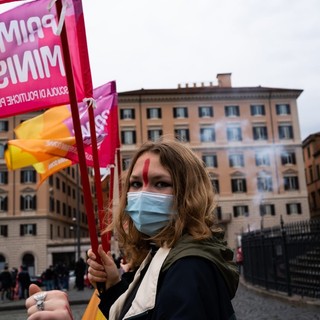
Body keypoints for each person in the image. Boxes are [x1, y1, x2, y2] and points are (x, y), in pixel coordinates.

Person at [25, 139, 239, 319]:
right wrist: (114, 287)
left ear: (190, 194)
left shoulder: (188, 269)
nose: (143, 194)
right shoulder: (163, 252)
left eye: (161, 183)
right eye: (136, 184)